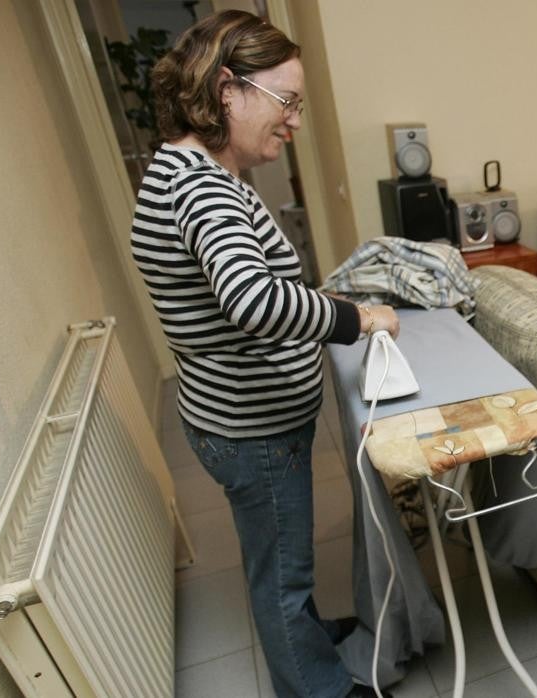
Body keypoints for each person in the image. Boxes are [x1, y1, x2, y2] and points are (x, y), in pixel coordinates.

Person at [131, 11, 392, 697]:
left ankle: (301, 636)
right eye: (287, 102)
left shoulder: (178, 169)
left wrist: (313, 296)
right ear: (228, 90)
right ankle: (316, 686)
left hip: (231, 413)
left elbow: (247, 289)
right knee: (282, 575)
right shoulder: (204, 187)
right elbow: (252, 300)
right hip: (254, 427)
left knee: (279, 558)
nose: (295, 121)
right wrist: (355, 317)